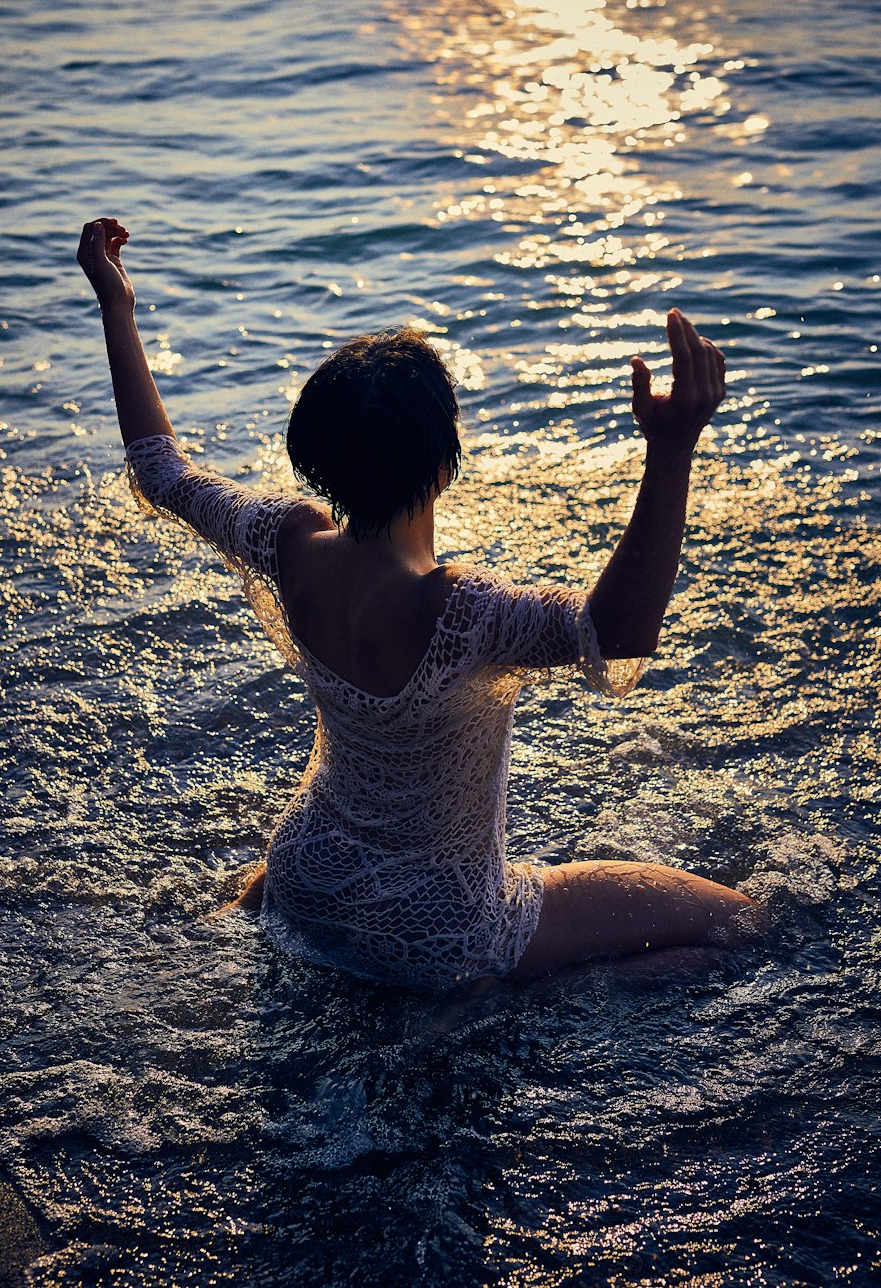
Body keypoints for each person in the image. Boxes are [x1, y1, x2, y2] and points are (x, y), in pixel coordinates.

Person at [79, 216, 761, 992]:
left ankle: (287, 923)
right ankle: (514, 1002)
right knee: (736, 924)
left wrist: (116, 306)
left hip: (305, 875)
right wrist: (672, 451)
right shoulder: (463, 613)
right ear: (444, 466)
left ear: (316, 460)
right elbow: (618, 631)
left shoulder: (286, 543)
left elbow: (161, 471)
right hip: (444, 926)